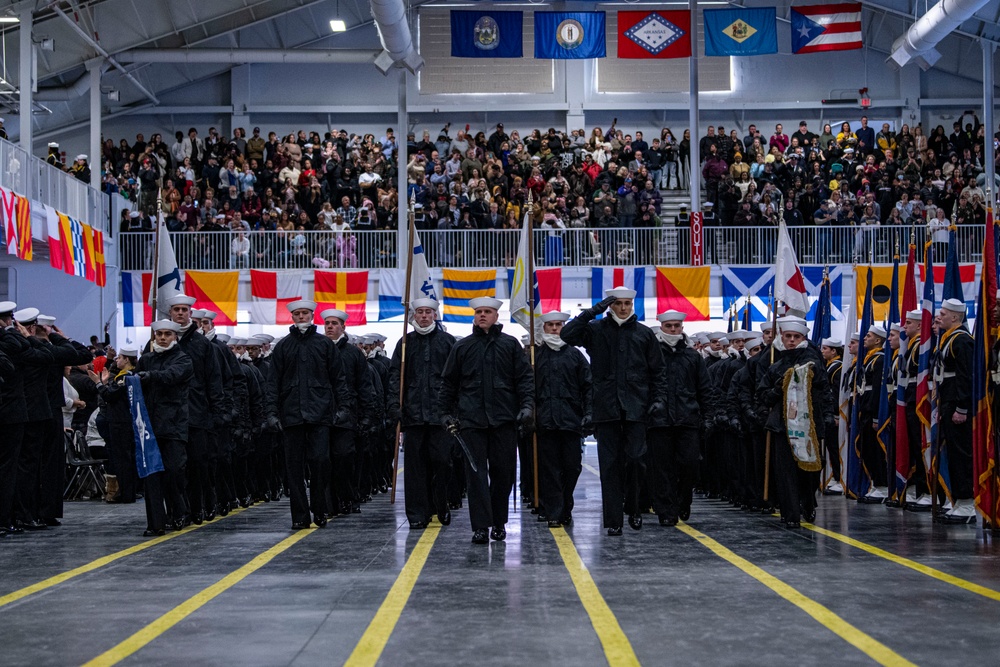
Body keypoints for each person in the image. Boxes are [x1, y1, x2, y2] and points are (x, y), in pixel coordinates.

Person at [561, 287, 668, 536]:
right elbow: (567, 335)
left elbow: (658, 372)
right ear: (610, 305)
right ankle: (613, 519)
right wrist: (590, 313)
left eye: (627, 303)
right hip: (606, 408)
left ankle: (633, 507)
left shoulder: (643, 334)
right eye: (618, 303)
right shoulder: (596, 330)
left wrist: (659, 400)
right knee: (609, 466)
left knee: (636, 461)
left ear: (632, 304)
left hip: (636, 408)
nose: (623, 308)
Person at [438, 296, 534, 544]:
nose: (482, 315)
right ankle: (480, 526)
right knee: (476, 476)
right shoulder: (462, 347)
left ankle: (499, 522)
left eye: (487, 311)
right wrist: (445, 412)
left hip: (504, 420)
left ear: (496, 316)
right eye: (479, 311)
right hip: (472, 422)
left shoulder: (510, 345)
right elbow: (448, 383)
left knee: (504, 475)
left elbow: (524, 380)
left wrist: (527, 407)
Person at [269, 300, 350, 529]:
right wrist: (271, 413)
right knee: (293, 468)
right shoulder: (283, 346)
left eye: (305, 313)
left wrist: (343, 408)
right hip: (291, 414)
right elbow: (272, 383)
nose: (301, 317)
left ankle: (319, 508)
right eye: (297, 313)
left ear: (311, 315)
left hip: (320, 414)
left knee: (321, 461)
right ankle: (300, 516)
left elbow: (338, 379)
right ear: (292, 317)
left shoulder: (325, 345)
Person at [755, 318, 835, 527]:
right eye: (788, 336)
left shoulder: (814, 363)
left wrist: (827, 417)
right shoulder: (775, 367)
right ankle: (790, 512)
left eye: (796, 337)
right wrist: (776, 389)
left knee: (810, 469)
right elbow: (762, 395)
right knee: (785, 471)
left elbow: (825, 392)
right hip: (782, 426)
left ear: (803, 338)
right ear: (782, 337)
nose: (791, 340)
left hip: (809, 425)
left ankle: (807, 502)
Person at [388, 298, 457, 529]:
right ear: (414, 316)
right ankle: (418, 513)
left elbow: (456, 379)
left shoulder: (448, 342)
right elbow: (395, 377)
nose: (424, 316)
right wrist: (394, 406)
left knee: (442, 462)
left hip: (440, 416)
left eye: (428, 312)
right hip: (413, 414)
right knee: (415, 467)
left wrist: (454, 410)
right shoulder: (405, 343)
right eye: (420, 312)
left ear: (435, 315)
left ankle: (441, 503)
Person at [164, 294, 227, 527]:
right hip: (169, 416)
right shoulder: (162, 342)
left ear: (191, 313)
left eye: (184, 309)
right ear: (170, 313)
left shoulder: (203, 345)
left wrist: (217, 413)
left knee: (198, 464)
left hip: (197, 413)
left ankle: (199, 506)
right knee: (173, 468)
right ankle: (177, 511)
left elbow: (214, 380)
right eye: (176, 309)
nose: (180, 313)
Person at [647, 310, 714, 526]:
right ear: (662, 327)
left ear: (682, 328)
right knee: (662, 468)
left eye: (677, 326)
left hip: (687, 419)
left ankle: (684, 499)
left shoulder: (692, 356)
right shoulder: (652, 355)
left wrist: (708, 415)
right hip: (659, 421)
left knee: (690, 464)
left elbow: (704, 388)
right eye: (669, 326)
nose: (673, 329)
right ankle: (666, 510)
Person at [136, 320, 195, 536]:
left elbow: (172, 376)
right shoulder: (146, 359)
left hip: (173, 426)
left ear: (175, 336)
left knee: (173, 472)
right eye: (159, 334)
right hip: (149, 426)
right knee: (151, 476)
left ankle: (179, 511)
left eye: (167, 334)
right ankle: (156, 522)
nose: (162, 337)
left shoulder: (183, 359)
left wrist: (149, 377)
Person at [534, 311, 592, 528]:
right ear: (544, 328)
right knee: (549, 469)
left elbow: (588, 386)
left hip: (571, 421)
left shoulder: (575, 355)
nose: (555, 329)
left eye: (559, 324)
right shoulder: (536, 356)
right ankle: (554, 512)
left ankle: (565, 504)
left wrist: (588, 414)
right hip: (545, 422)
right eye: (551, 325)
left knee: (572, 467)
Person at [319, 308, 366, 517]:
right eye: (327, 323)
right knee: (323, 460)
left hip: (347, 415)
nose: (330, 326)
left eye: (334, 323)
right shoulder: (317, 349)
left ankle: (348, 497)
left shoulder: (353, 353)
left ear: (343, 327)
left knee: (345, 457)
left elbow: (364, 386)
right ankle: (330, 504)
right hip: (321, 414)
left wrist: (366, 417)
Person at [935, 298, 975, 524]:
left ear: (955, 317)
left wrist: (961, 408)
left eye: (942, 313)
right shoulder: (948, 339)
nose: (938, 317)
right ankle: (959, 500)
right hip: (948, 401)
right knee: (953, 454)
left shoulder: (961, 341)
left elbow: (964, 377)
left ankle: (967, 501)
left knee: (961, 454)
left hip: (957, 404)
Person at [95, 346, 141, 504]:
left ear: (127, 359)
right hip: (128, 420)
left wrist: (100, 384)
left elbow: (110, 396)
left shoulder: (123, 378)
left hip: (120, 422)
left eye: (120, 357)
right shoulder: (133, 375)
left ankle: (127, 493)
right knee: (128, 458)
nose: (117, 360)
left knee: (122, 459)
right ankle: (130, 490)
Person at [857, 325, 888, 503]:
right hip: (865, 408)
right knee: (867, 448)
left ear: (878, 340)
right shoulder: (869, 359)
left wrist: (876, 415)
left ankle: (882, 485)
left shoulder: (879, 360)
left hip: (872, 409)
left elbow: (877, 390)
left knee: (875, 450)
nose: (865, 339)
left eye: (868, 336)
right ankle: (876, 483)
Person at [820, 338, 845, 495]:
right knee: (830, 447)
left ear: (834, 351)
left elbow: (835, 394)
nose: (822, 351)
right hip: (827, 414)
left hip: (833, 415)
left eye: (825, 349)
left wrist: (835, 414)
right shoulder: (829, 367)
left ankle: (838, 477)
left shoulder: (837, 368)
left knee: (835, 448)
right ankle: (834, 477)